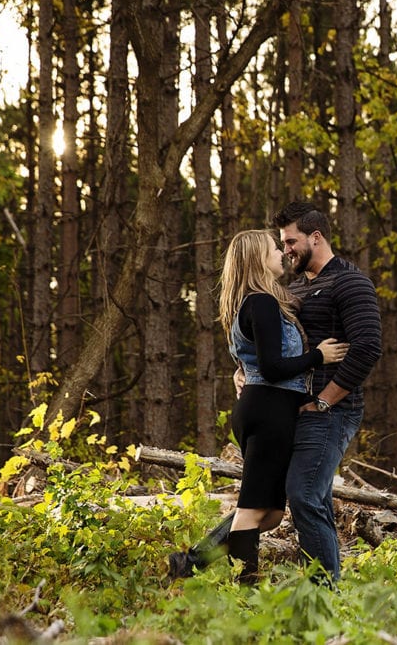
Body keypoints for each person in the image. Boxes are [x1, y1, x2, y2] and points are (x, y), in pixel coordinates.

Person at [168, 229, 348, 584]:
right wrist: (318, 356)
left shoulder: (257, 302)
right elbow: (271, 366)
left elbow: (254, 360)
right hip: (269, 412)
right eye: (273, 248)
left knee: (270, 516)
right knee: (251, 513)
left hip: (266, 408)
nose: (281, 252)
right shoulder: (260, 302)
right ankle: (245, 597)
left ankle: (190, 562)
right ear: (257, 259)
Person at [270, 201, 382, 583]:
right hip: (296, 408)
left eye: (291, 242)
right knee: (299, 495)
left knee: (302, 494)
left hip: (332, 410)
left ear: (316, 237)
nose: (286, 251)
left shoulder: (351, 282)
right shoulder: (297, 286)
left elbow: (368, 348)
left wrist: (324, 400)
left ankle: (323, 598)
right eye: (283, 244)